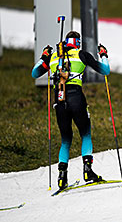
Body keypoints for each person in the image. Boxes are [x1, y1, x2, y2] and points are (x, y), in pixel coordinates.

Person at [31, 31, 110, 190]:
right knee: (85, 133)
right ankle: (88, 172)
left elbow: (35, 73)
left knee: (66, 139)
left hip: (59, 101)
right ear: (78, 42)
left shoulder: (54, 58)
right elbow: (105, 70)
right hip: (76, 98)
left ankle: (62, 178)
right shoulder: (82, 54)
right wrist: (103, 54)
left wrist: (44, 56)